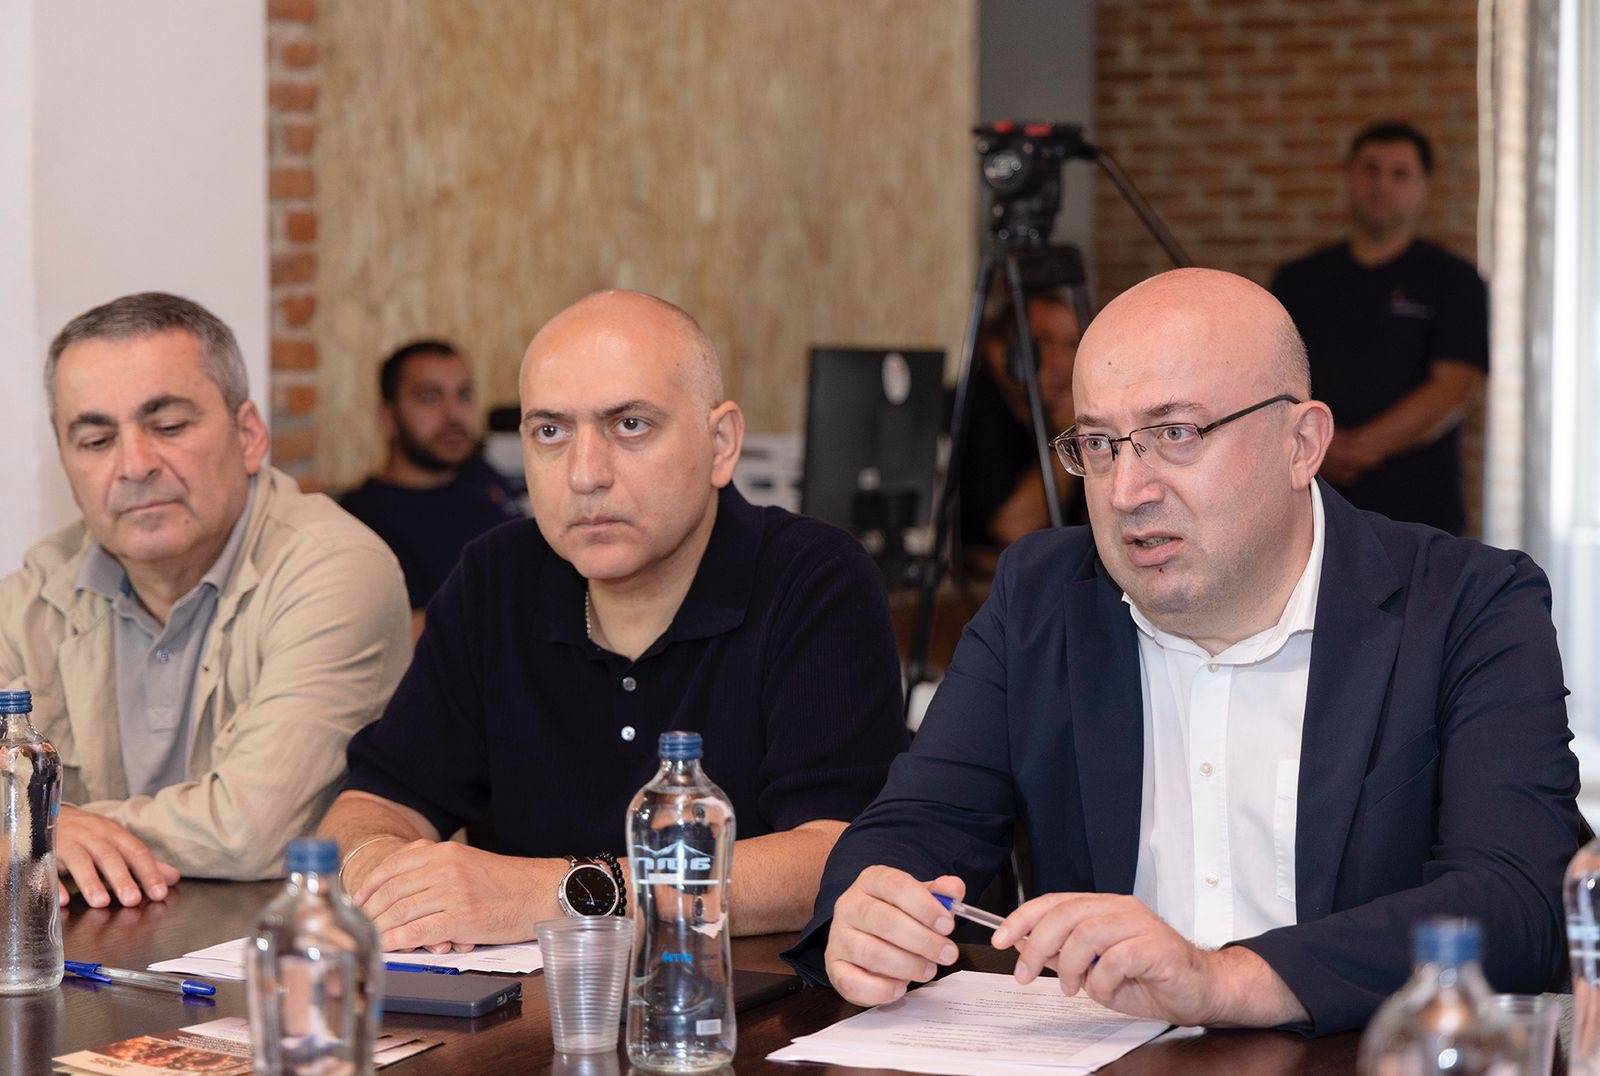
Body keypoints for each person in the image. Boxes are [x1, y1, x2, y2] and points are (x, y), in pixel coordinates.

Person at [788, 268, 1580, 1036]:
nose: (1127, 491)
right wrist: (869, 911)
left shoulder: (1467, 606)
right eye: (1098, 443)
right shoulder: (1040, 596)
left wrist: (1223, 981)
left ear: (1301, 443)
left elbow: (1518, 901)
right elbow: (918, 822)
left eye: (1176, 433)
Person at [318, 289, 909, 951]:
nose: (584, 474)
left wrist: (553, 894)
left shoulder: (814, 576)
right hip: (532, 1004)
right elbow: (376, 803)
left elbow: (831, 854)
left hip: (738, 1001)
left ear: (720, 444)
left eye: (630, 425)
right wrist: (376, 875)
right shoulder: (496, 576)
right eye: (551, 432)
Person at [0, 292, 411, 909]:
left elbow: (251, 828)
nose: (134, 464)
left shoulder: (335, 566)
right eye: (96, 440)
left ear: (249, 435)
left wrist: (37, 823)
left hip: (307, 947)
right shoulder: (37, 591)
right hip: (116, 947)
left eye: (168, 427)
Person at [1271, 120, 1488, 535]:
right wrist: (1321, 449)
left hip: (1418, 507)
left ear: (1423, 186)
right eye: (1370, 169)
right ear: (1349, 175)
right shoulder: (1299, 280)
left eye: (1399, 173)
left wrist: (1352, 449)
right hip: (1311, 500)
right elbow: (1271, 378)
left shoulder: (1454, 280)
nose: (1382, 184)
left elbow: (1453, 389)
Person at [340, 340, 523, 625]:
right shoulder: (364, 522)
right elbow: (406, 635)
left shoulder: (480, 472)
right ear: (388, 418)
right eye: (429, 397)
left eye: (464, 395)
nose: (453, 414)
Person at [959, 291, 1087, 552]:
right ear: (999, 351)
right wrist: (1072, 437)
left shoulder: (1056, 409)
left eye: (1071, 345)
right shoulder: (973, 409)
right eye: (1041, 343)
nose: (1061, 362)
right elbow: (1014, 528)